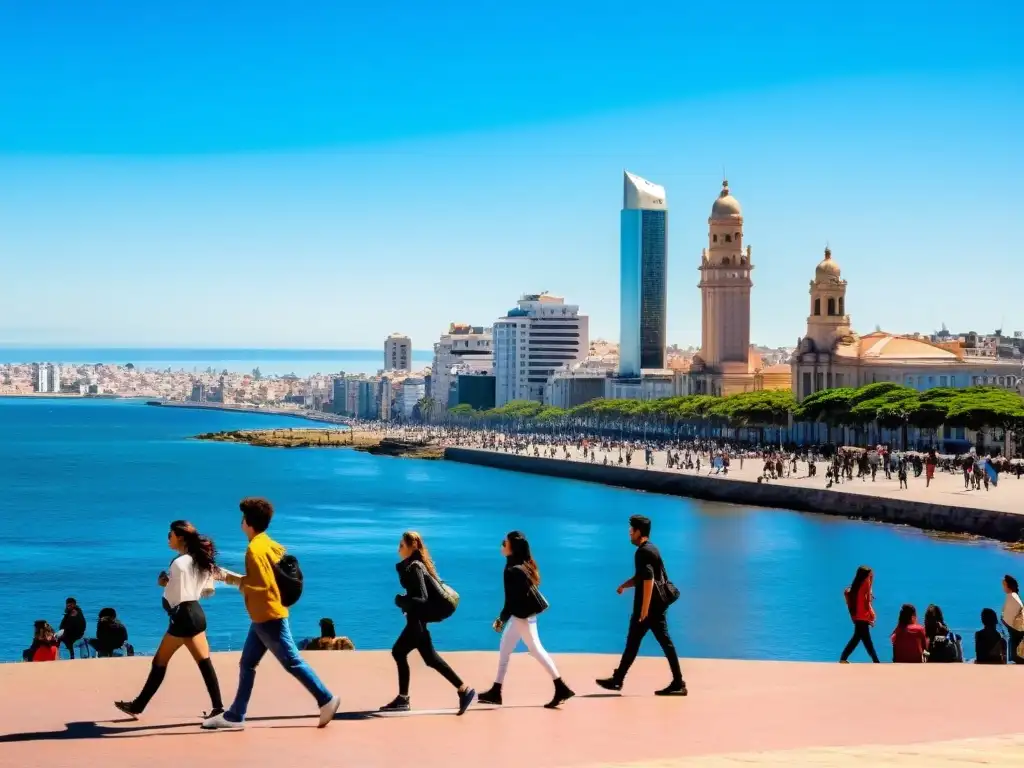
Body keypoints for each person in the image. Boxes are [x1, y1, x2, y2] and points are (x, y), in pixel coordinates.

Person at [203, 498, 340, 730]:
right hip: (262, 616)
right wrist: (230, 577)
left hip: (268, 616)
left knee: (292, 661)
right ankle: (235, 716)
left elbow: (262, 585)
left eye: (242, 517)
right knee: (247, 663)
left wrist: (230, 578)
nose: (241, 521)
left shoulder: (254, 549)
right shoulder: (268, 543)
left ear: (247, 521)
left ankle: (326, 699)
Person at [114, 520, 225, 719]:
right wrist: (168, 583)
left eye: (170, 535)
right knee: (204, 663)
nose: (168, 538)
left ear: (180, 537)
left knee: (160, 662)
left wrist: (163, 584)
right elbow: (191, 588)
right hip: (196, 614)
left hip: (183, 617)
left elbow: (174, 596)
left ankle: (137, 706)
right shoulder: (199, 560)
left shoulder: (179, 562)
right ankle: (218, 708)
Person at [378, 531, 475, 714]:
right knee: (428, 658)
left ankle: (404, 699)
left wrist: (400, 601)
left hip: (418, 619)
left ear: (412, 546)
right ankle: (463, 690)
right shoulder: (414, 566)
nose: (398, 548)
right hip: (418, 618)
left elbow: (421, 598)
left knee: (400, 652)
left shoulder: (415, 567)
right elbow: (419, 595)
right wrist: (406, 602)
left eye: (401, 545)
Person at [477, 531, 575, 709]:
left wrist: (500, 619)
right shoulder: (521, 566)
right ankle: (496, 691)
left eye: (504, 542)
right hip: (523, 616)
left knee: (536, 650)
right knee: (505, 648)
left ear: (511, 548)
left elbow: (510, 601)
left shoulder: (512, 570)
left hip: (522, 618)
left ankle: (561, 687)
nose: (501, 545)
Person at [596, 515, 686, 696]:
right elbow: (641, 577)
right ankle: (619, 679)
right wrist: (625, 585)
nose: (629, 533)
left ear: (639, 532)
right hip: (655, 607)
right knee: (641, 643)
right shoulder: (652, 548)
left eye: (631, 530)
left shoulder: (642, 552)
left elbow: (648, 579)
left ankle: (619, 680)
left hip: (648, 609)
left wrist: (644, 610)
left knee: (646, 643)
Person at [839, 565, 879, 663]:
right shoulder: (866, 582)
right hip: (863, 617)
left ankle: (843, 659)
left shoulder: (856, 585)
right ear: (866, 575)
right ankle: (876, 662)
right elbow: (867, 601)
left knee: (858, 639)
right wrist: (872, 615)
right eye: (870, 574)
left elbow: (862, 600)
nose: (871, 575)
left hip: (858, 616)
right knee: (866, 642)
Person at [1001, 574, 1024, 663]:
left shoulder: (1012, 596)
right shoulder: (1013, 595)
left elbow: (1015, 610)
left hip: (1016, 629)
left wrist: (1006, 621)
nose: (1003, 587)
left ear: (1008, 586)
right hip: (1016, 628)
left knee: (1016, 655)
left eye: (1004, 585)